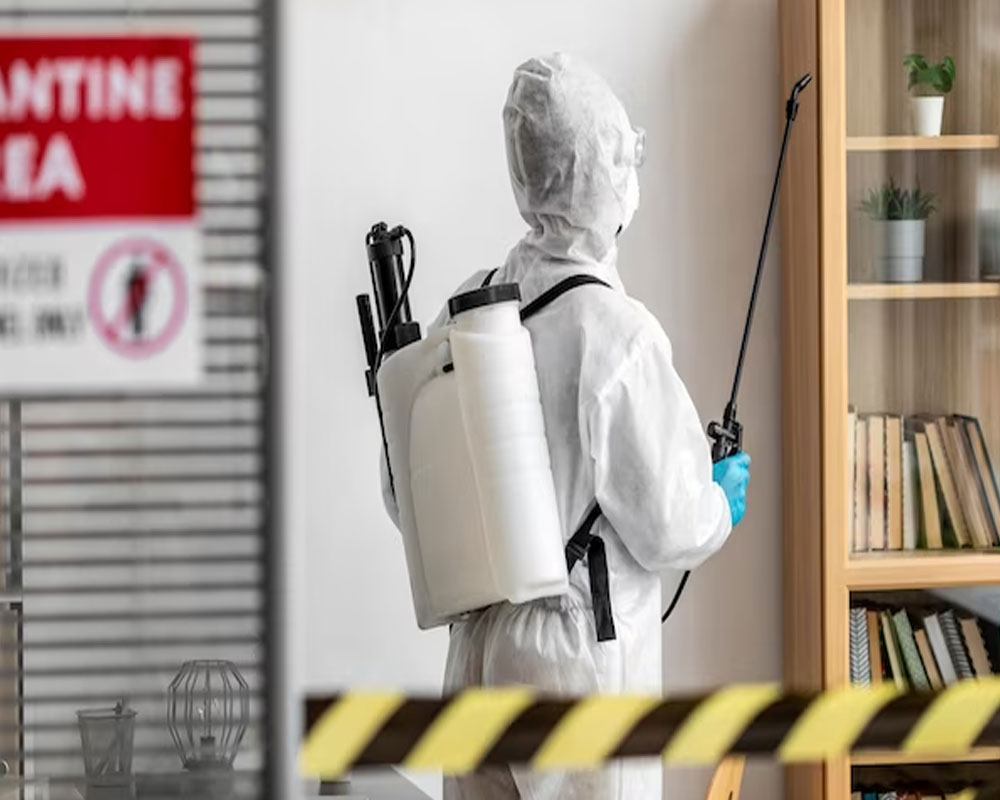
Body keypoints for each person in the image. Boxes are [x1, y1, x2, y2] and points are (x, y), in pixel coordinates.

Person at [387, 53, 751, 799]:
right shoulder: (616, 333)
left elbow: (409, 493)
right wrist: (719, 499)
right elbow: (669, 525)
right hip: (573, 662)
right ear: (605, 171)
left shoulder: (471, 307)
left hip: (475, 650)